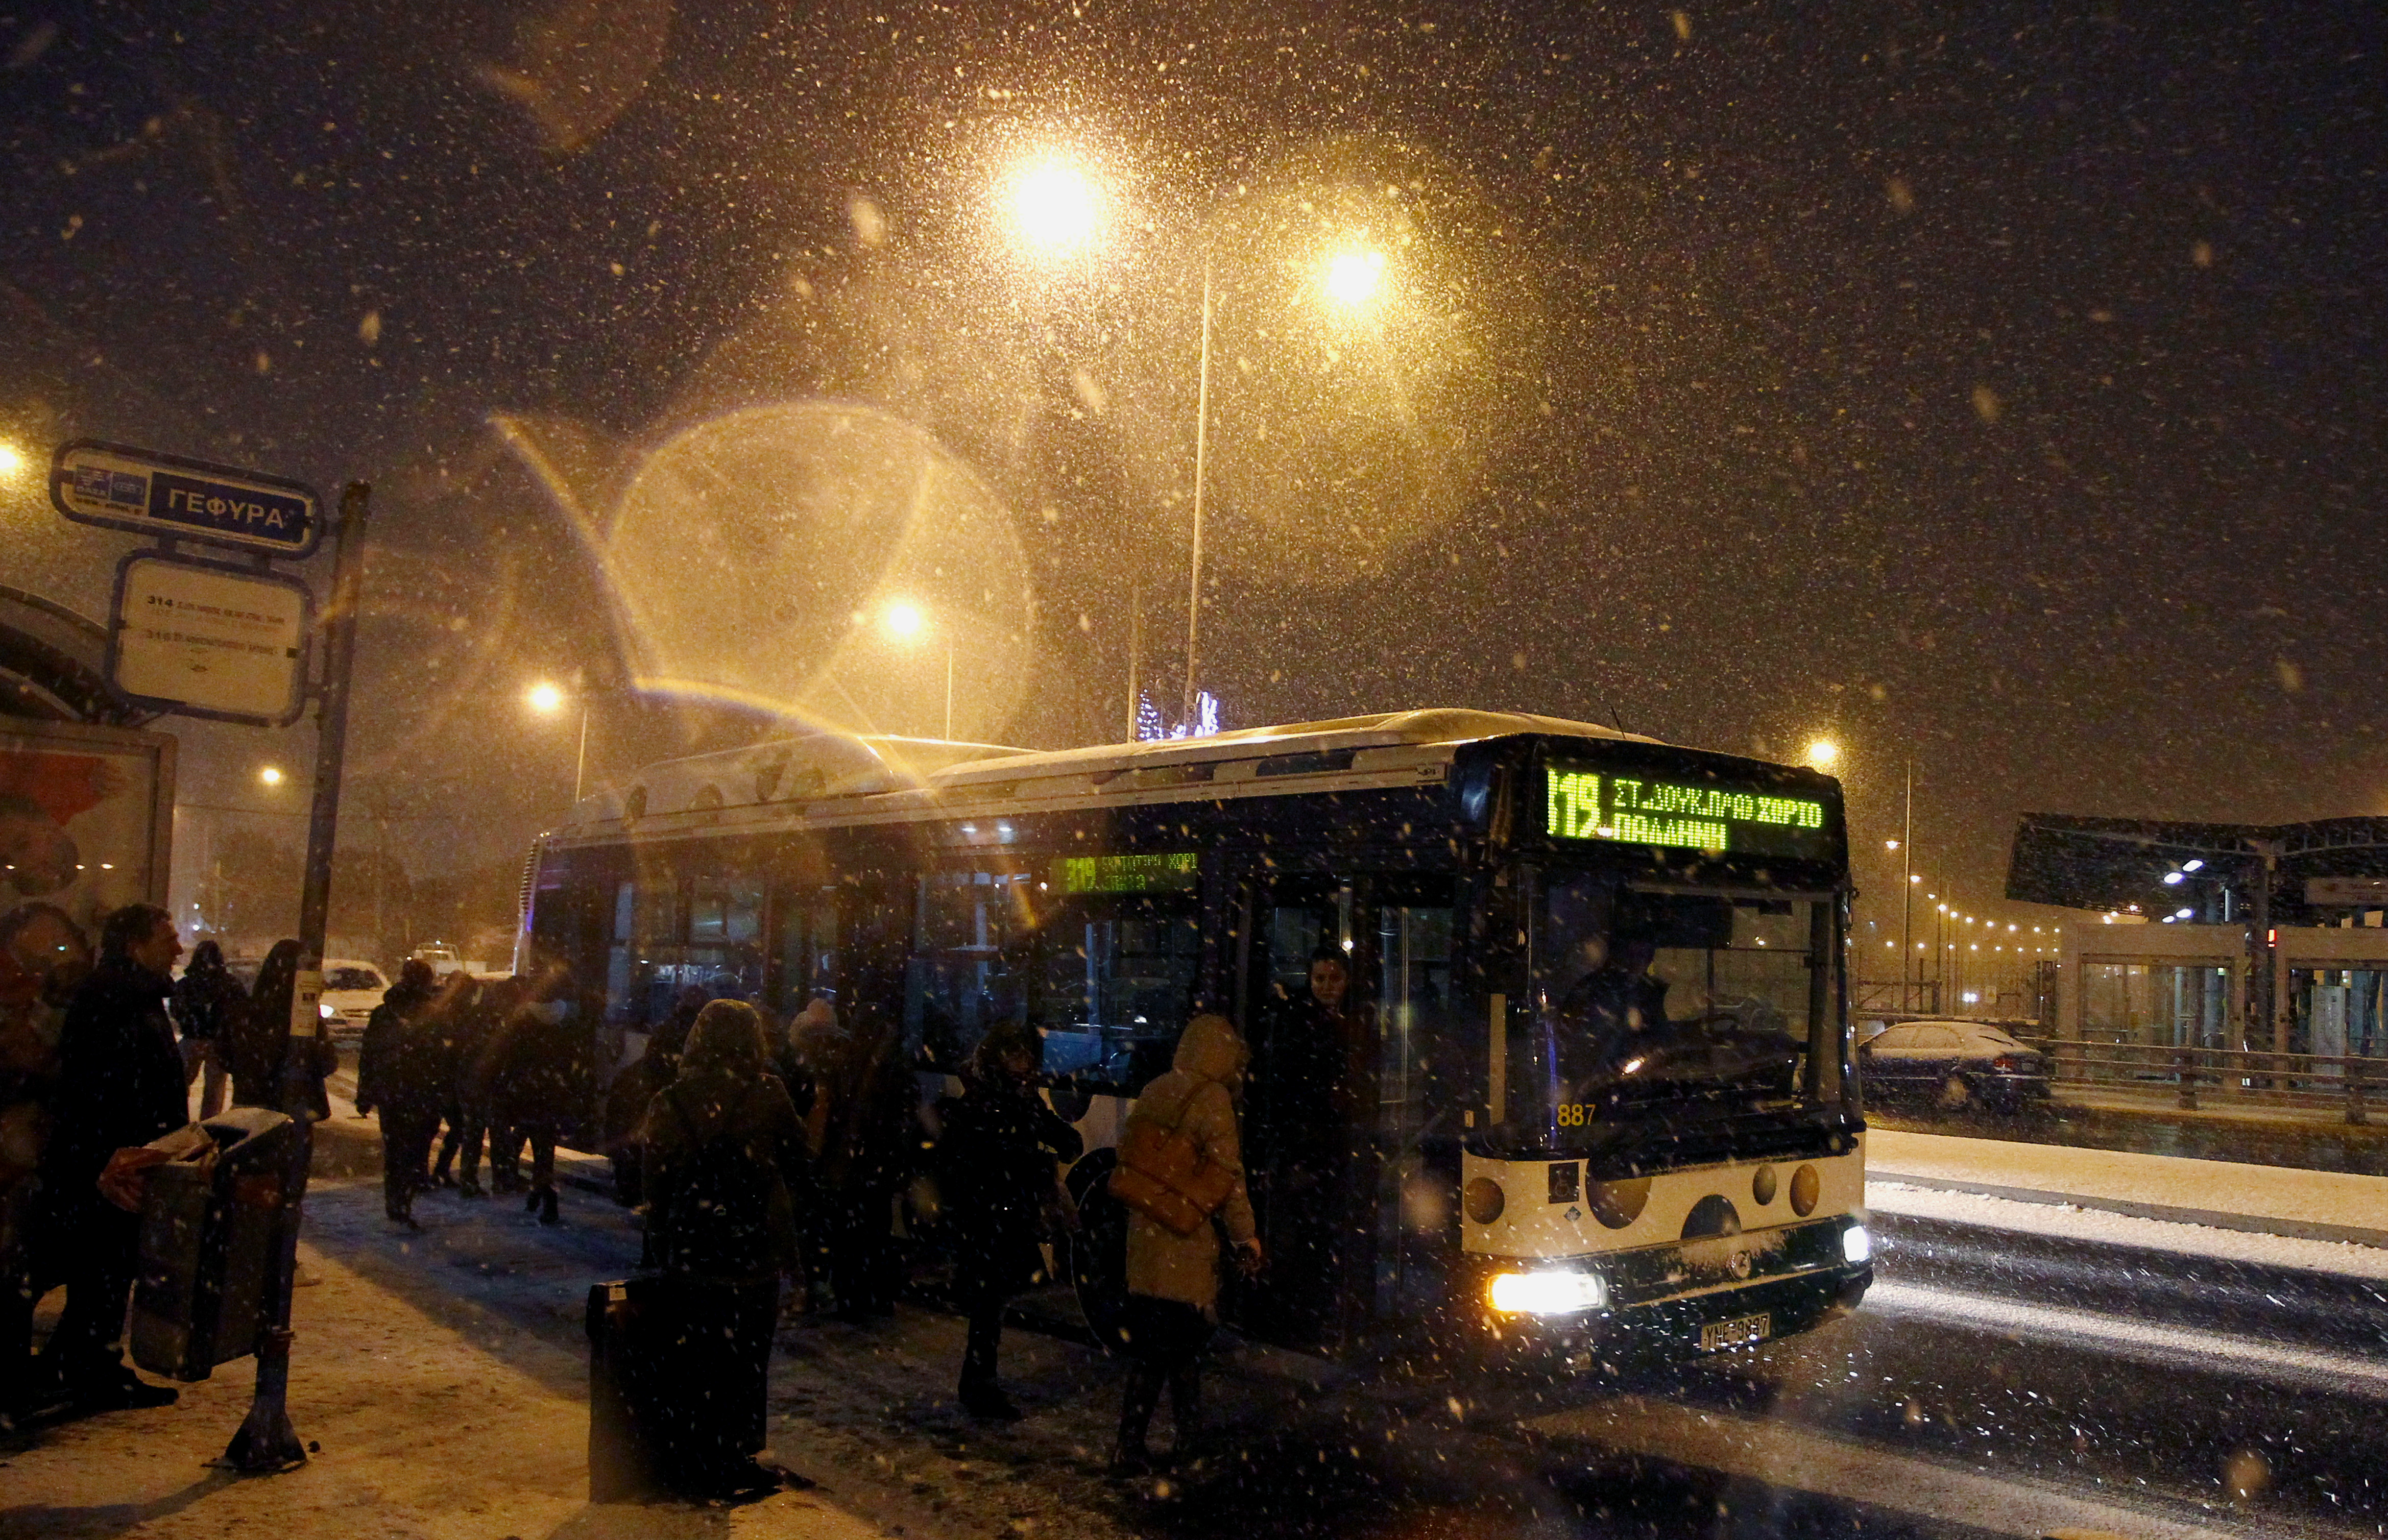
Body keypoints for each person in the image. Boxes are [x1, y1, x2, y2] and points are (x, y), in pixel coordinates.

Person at [635, 999, 810, 1498]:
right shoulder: (768, 1092)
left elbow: (655, 1180)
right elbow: (800, 1156)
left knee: (697, 1356)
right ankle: (737, 1455)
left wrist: (668, 1228)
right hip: (755, 1249)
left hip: (694, 1251)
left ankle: (696, 1455)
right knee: (749, 1357)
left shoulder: (671, 1098)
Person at [28, 903, 187, 1412]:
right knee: (103, 1267)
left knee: (107, 1271)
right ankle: (83, 1368)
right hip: (107, 1164)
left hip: (118, 1159)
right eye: (168, 938)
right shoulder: (114, 998)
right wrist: (107, 1157)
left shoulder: (132, 995)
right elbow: (93, 1085)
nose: (178, 948)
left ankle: (83, 1364)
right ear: (137, 945)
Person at [1111, 1013, 1260, 1476]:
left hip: (1145, 1235)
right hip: (1184, 1238)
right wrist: (1246, 1236)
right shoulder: (1213, 1098)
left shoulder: (1157, 1087)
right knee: (1185, 1348)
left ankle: (1129, 1445)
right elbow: (1227, 1179)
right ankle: (1188, 1444)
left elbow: (1132, 1157)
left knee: (1152, 1348)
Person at [936, 1021, 1081, 1420]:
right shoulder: (985, 1100)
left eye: (1029, 1055)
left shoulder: (1017, 1096)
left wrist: (1062, 1139)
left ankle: (979, 1380)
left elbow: (1049, 1132)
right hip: (988, 1216)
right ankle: (980, 1385)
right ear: (999, 1057)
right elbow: (984, 1158)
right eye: (1018, 1054)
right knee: (989, 1301)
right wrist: (1033, 1157)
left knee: (992, 1301)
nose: (1027, 1062)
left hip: (1003, 1213)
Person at [486, 968, 584, 1225]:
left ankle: (534, 1191)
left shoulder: (522, 1020)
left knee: (523, 1139)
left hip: (526, 1093)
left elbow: (509, 1057)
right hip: (552, 1093)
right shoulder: (566, 1020)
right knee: (544, 1150)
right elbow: (572, 1058)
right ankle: (543, 1197)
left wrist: (507, 1083)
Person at [354, 958, 440, 1228]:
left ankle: (396, 1199)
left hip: (392, 1090)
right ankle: (404, 1197)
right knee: (416, 1147)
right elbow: (443, 1056)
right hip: (421, 1090)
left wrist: (365, 1093)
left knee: (395, 1149)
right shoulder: (432, 1013)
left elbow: (369, 1055)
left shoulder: (385, 1013)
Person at [228, 939, 335, 1115]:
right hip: (292, 1110)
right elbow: (327, 1062)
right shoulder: (303, 1015)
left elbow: (226, 1056)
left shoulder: (248, 1010)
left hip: (248, 1104)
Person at [425, 973, 489, 1195]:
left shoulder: (440, 1011)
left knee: (452, 1128)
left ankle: (436, 1172)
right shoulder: (465, 1015)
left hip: (444, 1078)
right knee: (468, 1129)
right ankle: (463, 1178)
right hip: (459, 1078)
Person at [168, 940, 244, 1121]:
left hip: (192, 1037)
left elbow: (177, 1008)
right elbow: (240, 1009)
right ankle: (209, 1125)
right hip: (218, 1041)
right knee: (214, 1090)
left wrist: (191, 1025)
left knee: (179, 1084)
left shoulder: (187, 984)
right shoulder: (229, 983)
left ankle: (177, 1121)